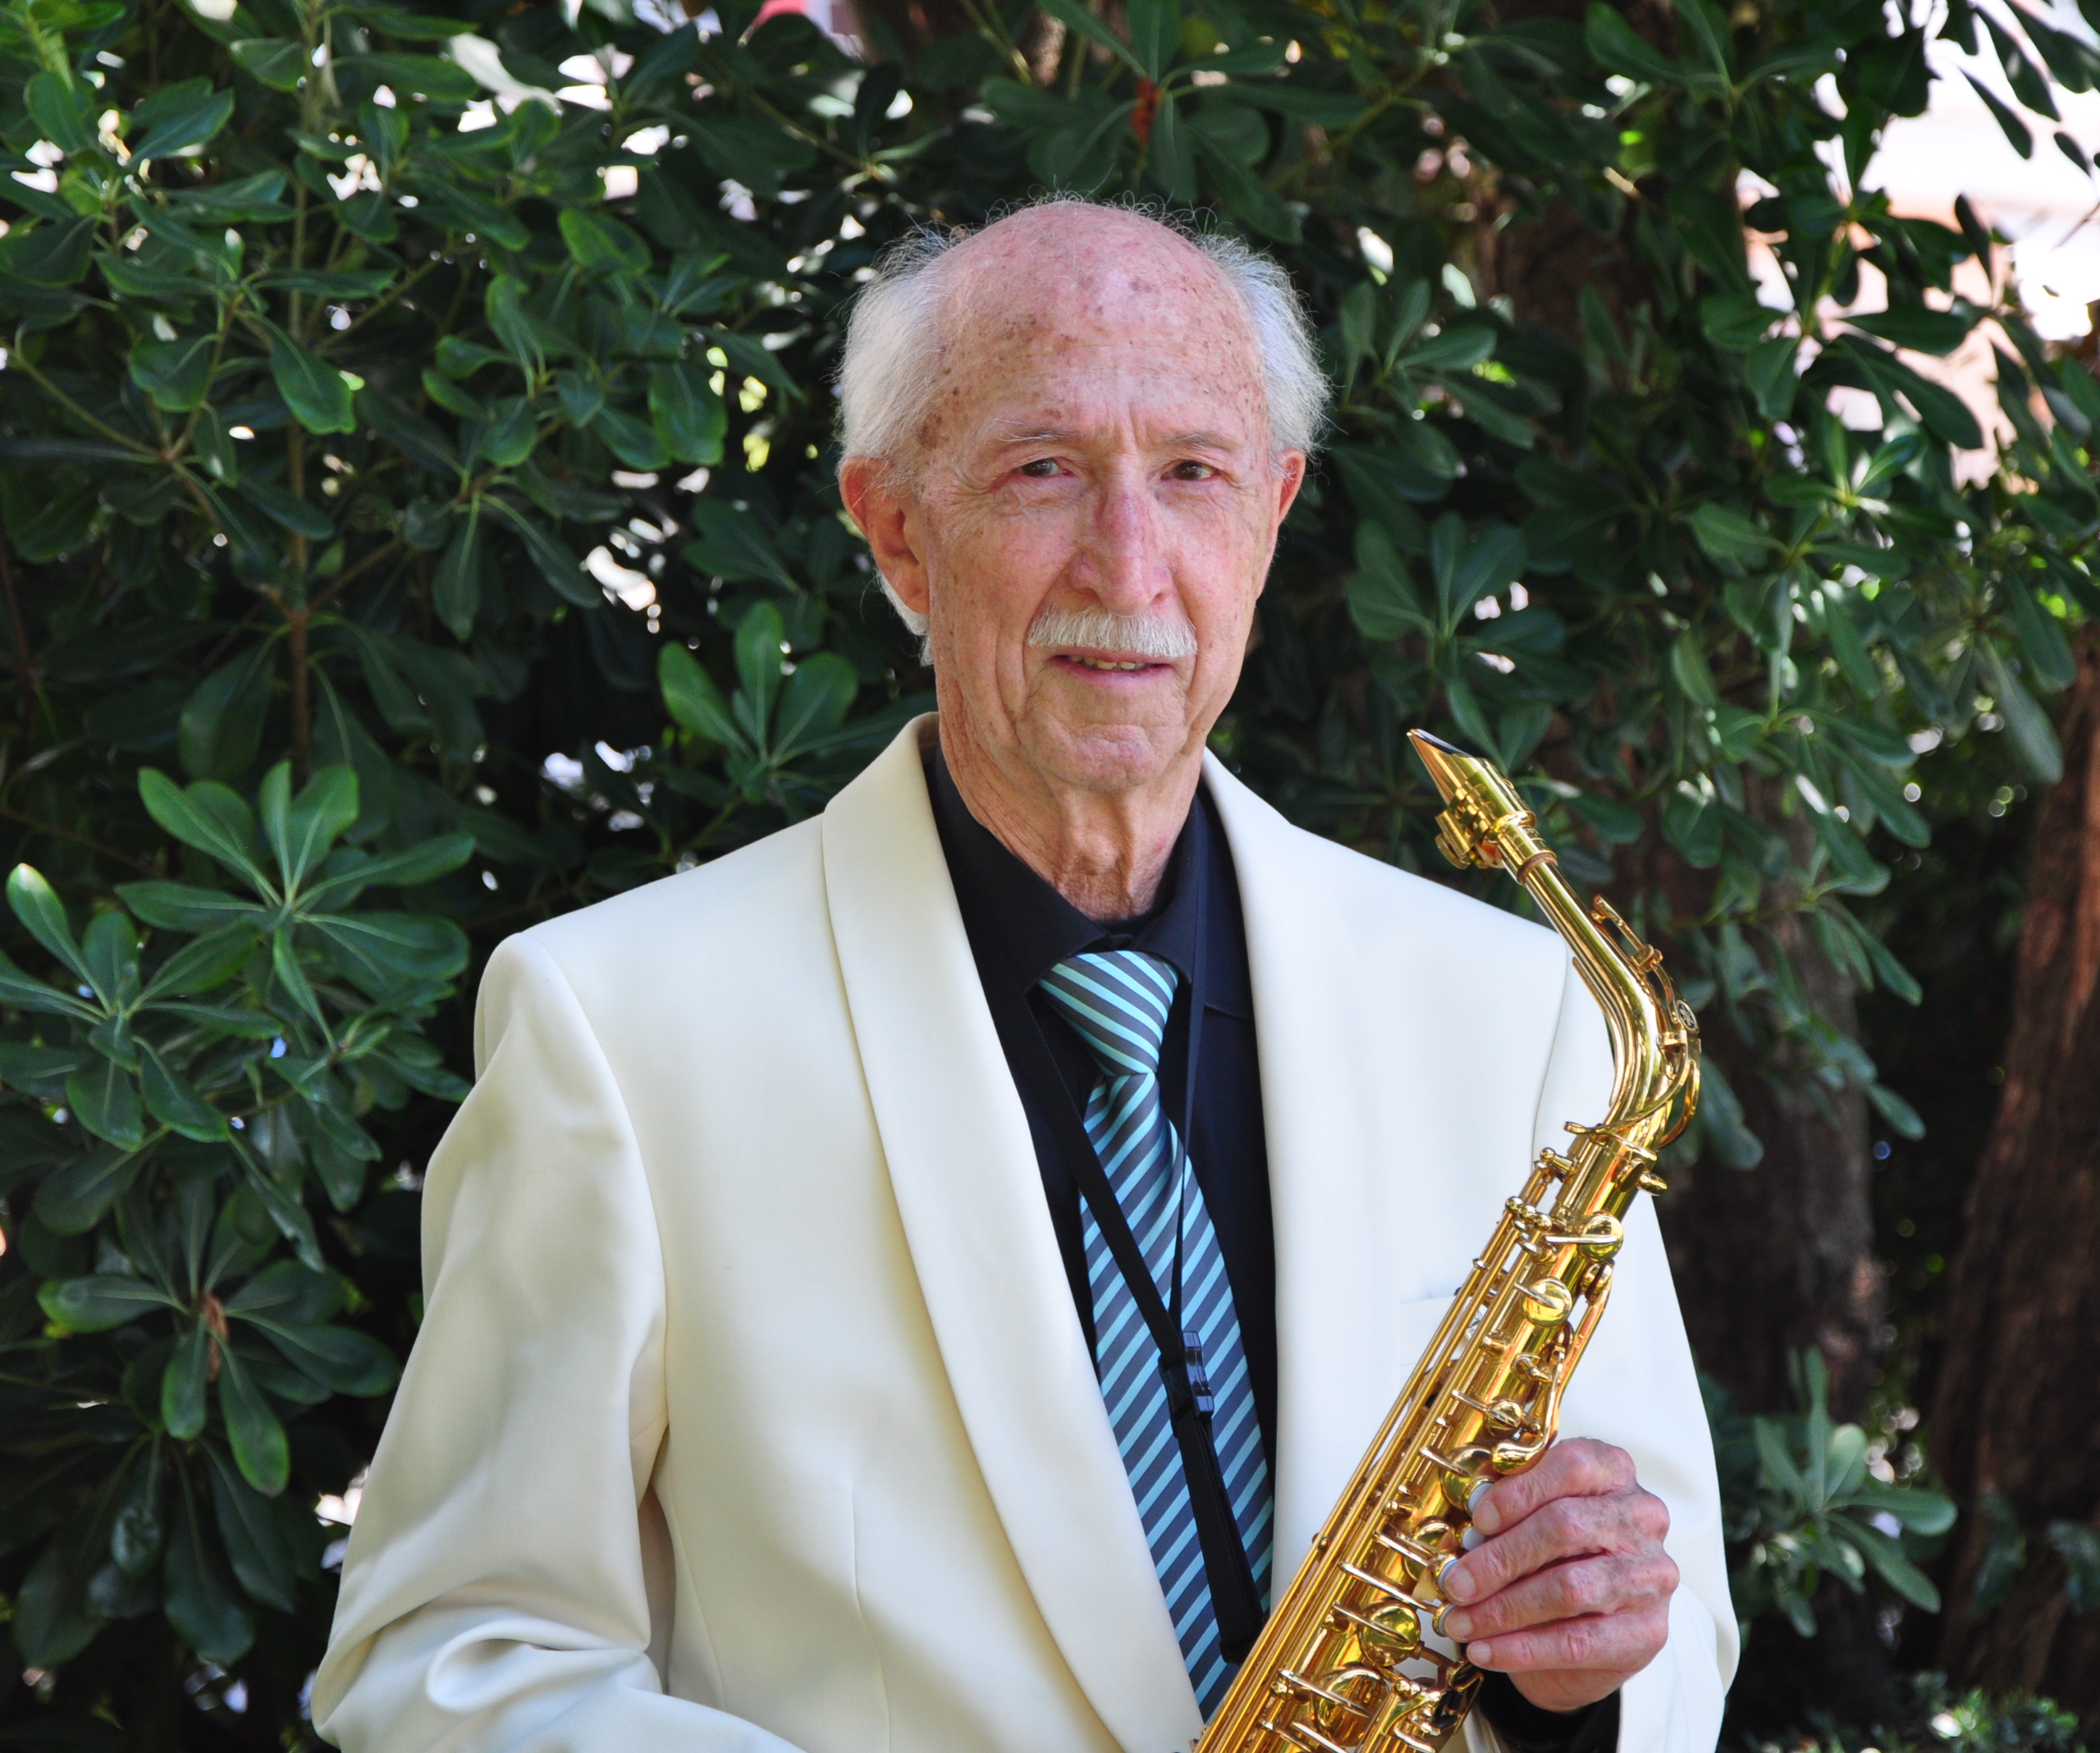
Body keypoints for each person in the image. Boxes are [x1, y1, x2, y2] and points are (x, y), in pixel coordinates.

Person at [313, 199, 1736, 1753]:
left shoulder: (1512, 1013)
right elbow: (448, 1662)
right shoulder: (620, 1029)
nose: (1128, 563)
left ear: (1270, 515)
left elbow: (1674, 1632)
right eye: (1043, 469)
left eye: (1191, 474)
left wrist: (1582, 1680)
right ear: (896, 530)